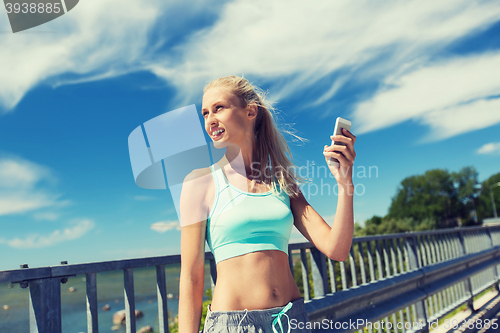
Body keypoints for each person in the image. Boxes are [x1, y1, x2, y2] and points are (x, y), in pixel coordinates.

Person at [178, 75, 356, 333]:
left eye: (219, 108)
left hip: (291, 321)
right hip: (234, 326)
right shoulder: (200, 182)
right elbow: (191, 277)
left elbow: (336, 249)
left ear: (250, 111)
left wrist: (345, 183)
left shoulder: (283, 183)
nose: (210, 120)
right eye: (205, 113)